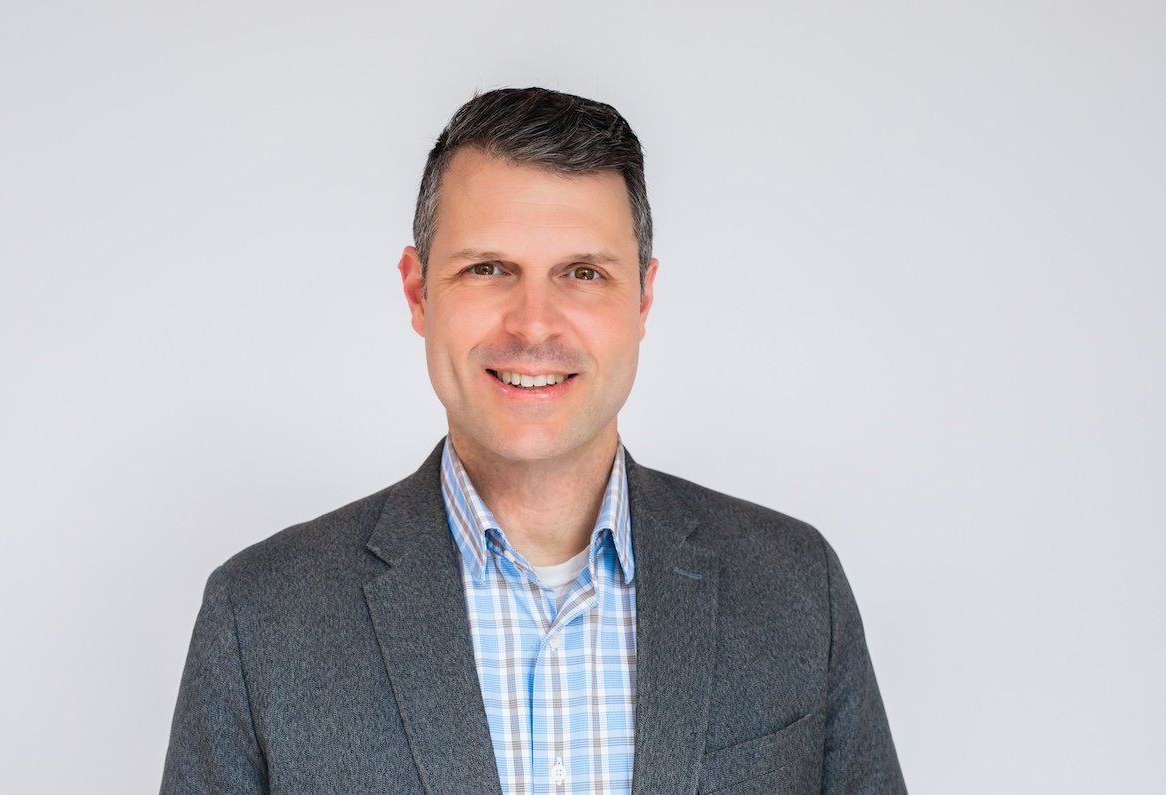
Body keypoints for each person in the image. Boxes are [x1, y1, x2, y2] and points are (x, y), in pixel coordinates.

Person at [161, 87, 905, 794]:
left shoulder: (795, 588)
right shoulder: (259, 618)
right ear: (418, 292)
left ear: (643, 298)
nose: (534, 324)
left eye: (582, 272)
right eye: (489, 269)